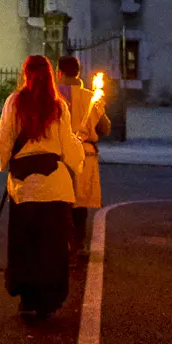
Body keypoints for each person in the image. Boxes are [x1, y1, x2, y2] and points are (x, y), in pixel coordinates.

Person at [0, 55, 85, 319]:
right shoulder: (58, 106)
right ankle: (49, 300)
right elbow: (68, 146)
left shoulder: (15, 102)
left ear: (26, 75)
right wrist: (78, 154)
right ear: (50, 76)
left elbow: (5, 138)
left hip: (24, 188)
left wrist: (5, 157)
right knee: (52, 247)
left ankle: (28, 298)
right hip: (54, 185)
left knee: (26, 244)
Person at [57, 55, 111, 256]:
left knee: (60, 200)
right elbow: (105, 128)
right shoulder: (90, 96)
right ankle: (77, 244)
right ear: (78, 72)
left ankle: (62, 244)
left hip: (59, 155)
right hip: (84, 155)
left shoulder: (54, 96)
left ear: (59, 73)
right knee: (79, 204)